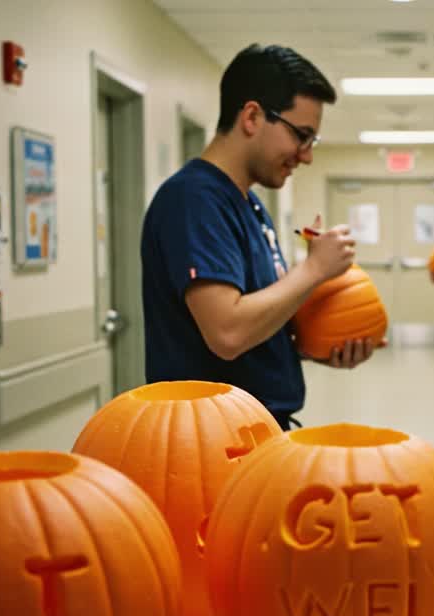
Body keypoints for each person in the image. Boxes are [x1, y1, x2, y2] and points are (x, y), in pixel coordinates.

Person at [141, 44, 377, 431]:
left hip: (257, 428)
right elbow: (228, 332)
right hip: (212, 443)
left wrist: (315, 343)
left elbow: (256, 321)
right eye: (301, 135)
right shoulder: (194, 200)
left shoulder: (248, 205)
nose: (306, 156)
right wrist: (314, 269)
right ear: (252, 116)